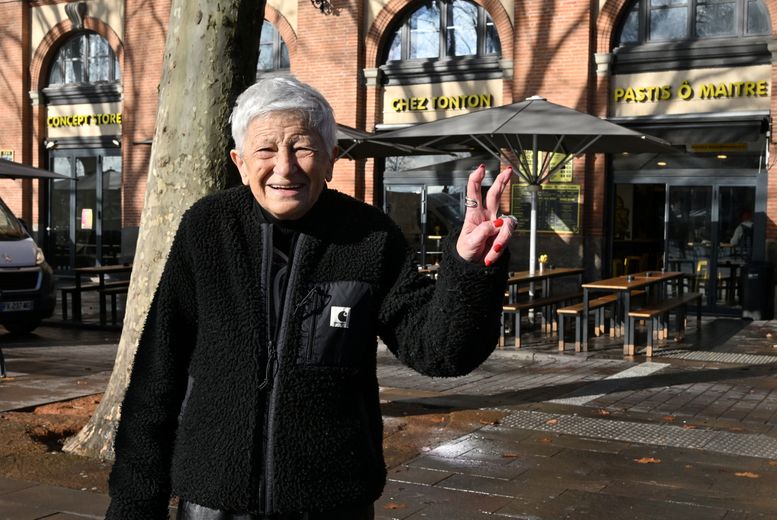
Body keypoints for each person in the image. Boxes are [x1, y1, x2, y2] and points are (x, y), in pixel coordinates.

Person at [105, 75, 515, 520]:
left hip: (331, 501)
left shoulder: (370, 237)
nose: (284, 167)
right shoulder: (207, 228)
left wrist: (469, 268)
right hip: (213, 498)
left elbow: (440, 352)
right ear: (239, 162)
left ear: (330, 159)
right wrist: (134, 504)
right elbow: (156, 375)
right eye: (265, 150)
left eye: (302, 147)